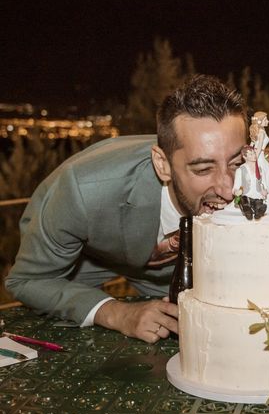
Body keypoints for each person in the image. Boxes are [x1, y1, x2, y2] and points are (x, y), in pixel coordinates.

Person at [5, 75, 247, 343]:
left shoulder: (261, 180)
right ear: (162, 164)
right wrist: (117, 313)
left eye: (236, 163)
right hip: (90, 257)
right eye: (203, 169)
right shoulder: (83, 190)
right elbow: (26, 281)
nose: (228, 189)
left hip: (171, 273)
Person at [233, 145, 267, 220]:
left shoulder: (260, 169)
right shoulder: (240, 170)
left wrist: (264, 190)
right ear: (245, 157)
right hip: (246, 194)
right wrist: (236, 191)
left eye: (254, 153)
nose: (254, 155)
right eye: (251, 154)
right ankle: (247, 211)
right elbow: (236, 186)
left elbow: (261, 183)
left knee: (258, 203)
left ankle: (258, 212)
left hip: (257, 194)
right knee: (245, 202)